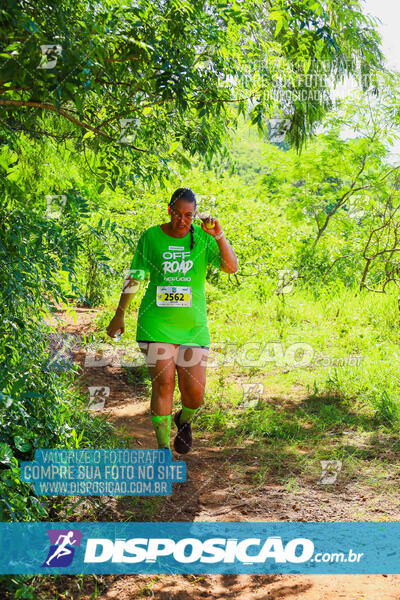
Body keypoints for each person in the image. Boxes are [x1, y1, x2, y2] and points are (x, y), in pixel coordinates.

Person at [106, 188, 238, 454]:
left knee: (195, 395)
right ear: (169, 210)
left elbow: (230, 267)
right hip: (156, 322)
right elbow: (135, 277)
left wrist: (219, 236)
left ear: (195, 215)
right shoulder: (151, 237)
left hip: (193, 327)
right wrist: (119, 313)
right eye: (177, 213)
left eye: (188, 215)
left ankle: (184, 420)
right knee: (163, 383)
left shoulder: (202, 238)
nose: (182, 220)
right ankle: (163, 449)